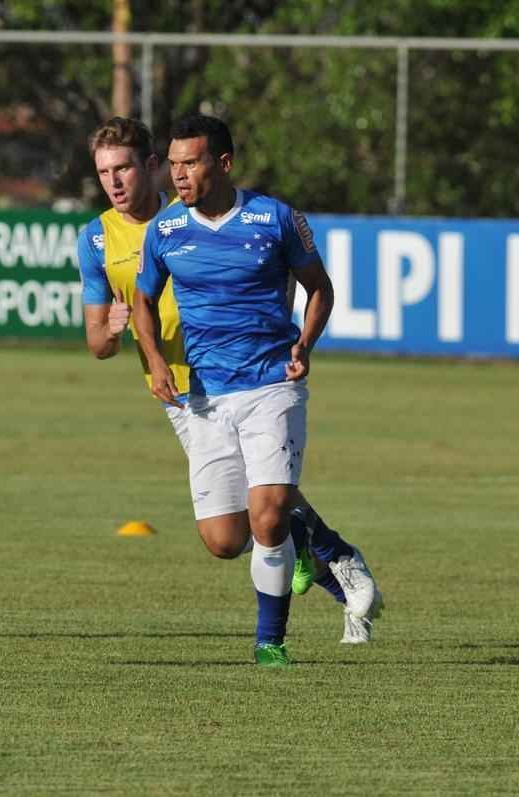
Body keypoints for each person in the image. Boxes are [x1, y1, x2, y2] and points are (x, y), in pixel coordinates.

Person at [79, 118, 380, 655]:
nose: (114, 181)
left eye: (123, 167)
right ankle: (324, 555)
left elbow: (317, 287)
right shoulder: (102, 237)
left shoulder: (230, 218)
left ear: (150, 167)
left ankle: (313, 598)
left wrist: (301, 346)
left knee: (268, 503)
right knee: (232, 533)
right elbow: (99, 342)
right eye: (104, 172)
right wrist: (125, 337)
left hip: (255, 378)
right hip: (182, 391)